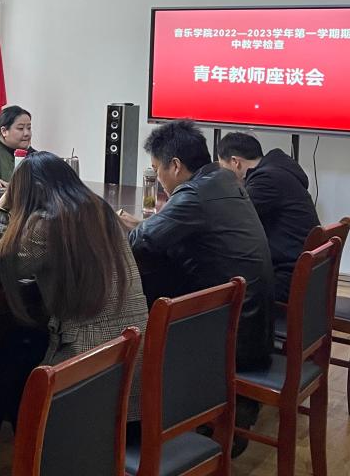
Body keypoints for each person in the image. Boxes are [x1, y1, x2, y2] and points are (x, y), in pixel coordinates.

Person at [0, 151, 148, 475]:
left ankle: (29, 455)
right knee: (19, 342)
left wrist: (2, 207)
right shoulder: (101, 211)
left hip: (90, 360)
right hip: (131, 353)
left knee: (18, 363)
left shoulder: (47, 225)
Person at [118, 120, 273, 455]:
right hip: (253, 321)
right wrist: (148, 225)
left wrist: (132, 228)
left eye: (157, 169)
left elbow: (140, 243)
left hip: (230, 334)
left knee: (140, 298)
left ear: (175, 165)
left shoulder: (195, 194)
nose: (158, 177)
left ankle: (142, 415)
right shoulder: (222, 179)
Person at [217, 132, 320, 302]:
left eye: (222, 167)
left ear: (235, 162)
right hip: (302, 271)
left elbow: (231, 217)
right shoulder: (278, 170)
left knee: (220, 283)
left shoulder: (266, 180)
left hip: (287, 278)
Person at [0, 105, 34, 183]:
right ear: (4, 131)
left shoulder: (32, 153)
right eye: (20, 128)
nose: (27, 133)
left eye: (29, 128)